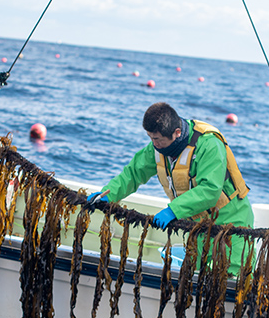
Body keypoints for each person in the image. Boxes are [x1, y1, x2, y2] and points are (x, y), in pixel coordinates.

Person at [88, 102, 254, 274]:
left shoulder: (209, 144)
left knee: (233, 278)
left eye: (157, 139)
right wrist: (108, 194)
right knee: (190, 277)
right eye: (150, 137)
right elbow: (132, 174)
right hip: (196, 226)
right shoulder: (156, 148)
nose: (153, 143)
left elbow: (210, 190)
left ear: (177, 133)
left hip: (231, 223)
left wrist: (172, 211)